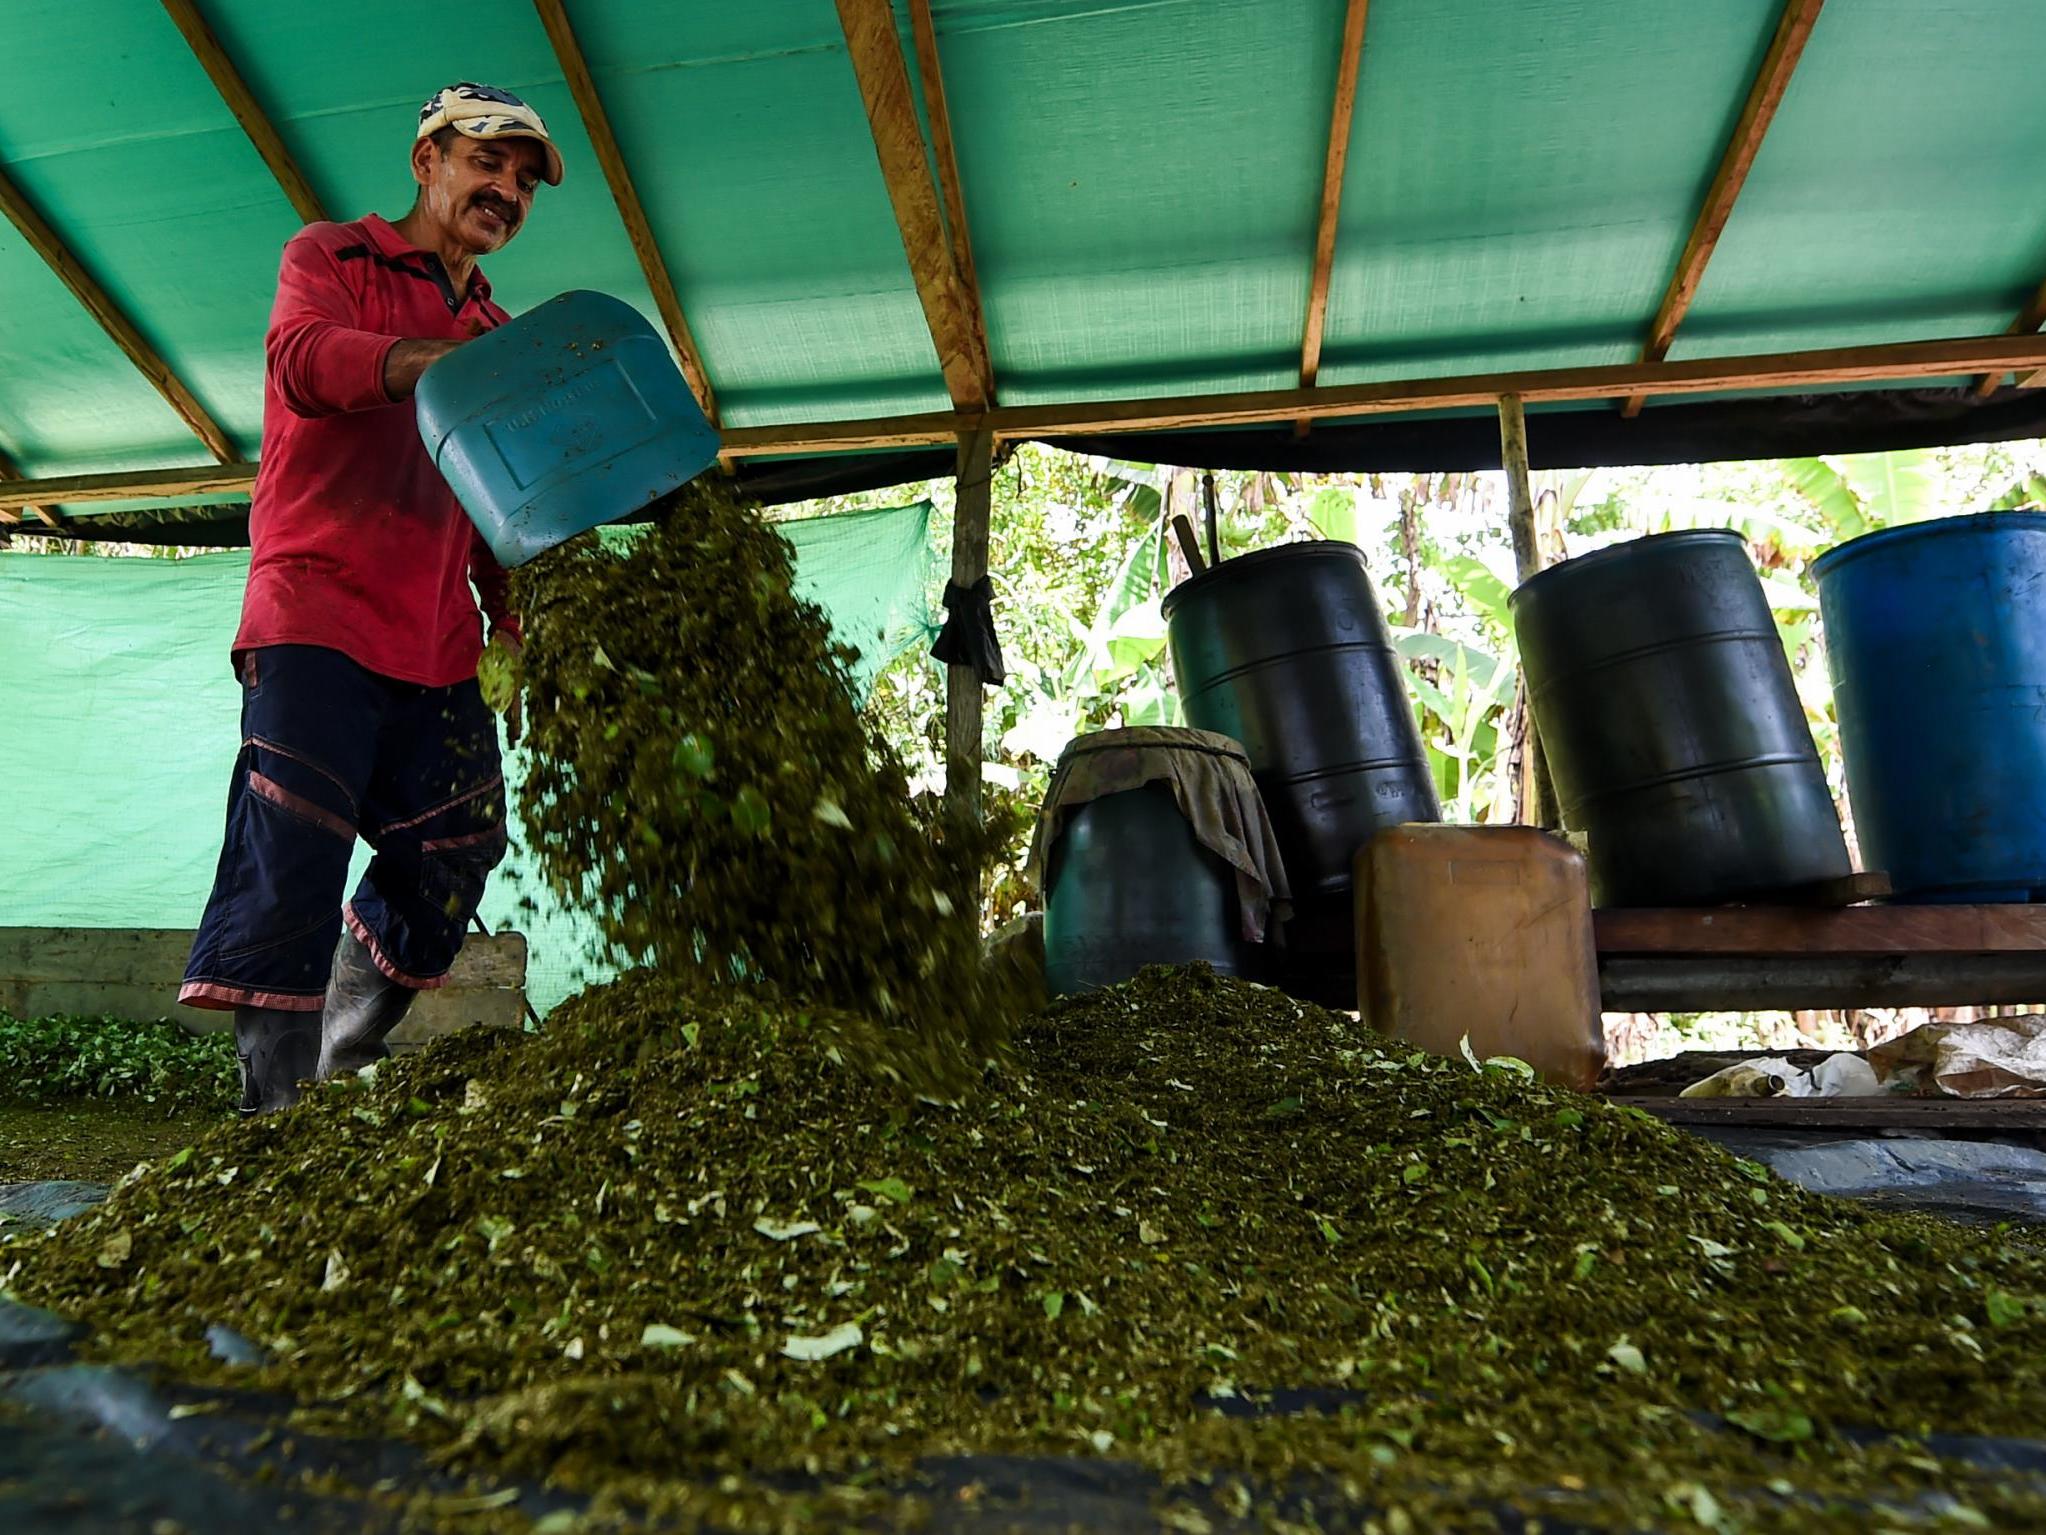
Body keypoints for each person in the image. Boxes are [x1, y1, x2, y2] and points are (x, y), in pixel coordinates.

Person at [179, 83, 564, 1114]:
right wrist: (424, 363)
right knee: (294, 851)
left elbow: (503, 500)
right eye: (490, 162)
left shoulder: (500, 328)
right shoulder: (332, 257)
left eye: (525, 182)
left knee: (460, 840)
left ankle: (344, 1046)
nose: (508, 191)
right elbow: (301, 362)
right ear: (427, 159)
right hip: (318, 613)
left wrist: (518, 620)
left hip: (437, 641)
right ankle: (273, 1114)